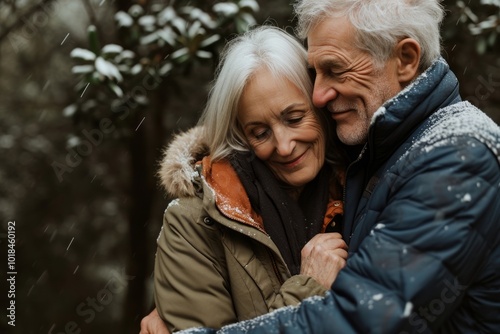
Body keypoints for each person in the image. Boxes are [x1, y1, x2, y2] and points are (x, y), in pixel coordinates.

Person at [140, 0, 500, 333]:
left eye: (334, 70)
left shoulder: (457, 154)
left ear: (405, 59)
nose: (319, 93)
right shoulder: (374, 156)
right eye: (315, 72)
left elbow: (358, 318)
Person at [152, 26, 348, 332]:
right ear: (240, 136)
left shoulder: (362, 185)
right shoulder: (192, 224)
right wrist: (308, 289)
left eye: (294, 118)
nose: (283, 146)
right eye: (260, 133)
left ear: (319, 105)